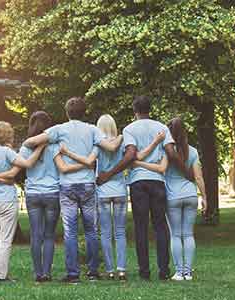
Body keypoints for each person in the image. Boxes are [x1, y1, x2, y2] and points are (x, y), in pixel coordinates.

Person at [23, 97, 122, 283]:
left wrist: (50, 144)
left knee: (70, 231)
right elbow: (110, 146)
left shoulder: (59, 130)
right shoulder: (93, 129)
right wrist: (121, 137)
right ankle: (93, 272)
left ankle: (73, 274)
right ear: (84, 112)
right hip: (87, 185)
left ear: (67, 112)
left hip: (67, 185)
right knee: (91, 230)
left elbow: (30, 142)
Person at [96, 95, 194, 281]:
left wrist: (108, 174)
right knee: (160, 226)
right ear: (150, 109)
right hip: (157, 181)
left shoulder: (130, 129)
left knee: (141, 227)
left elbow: (131, 154)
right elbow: (171, 154)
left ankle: (144, 271)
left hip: (138, 183)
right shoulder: (161, 127)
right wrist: (187, 173)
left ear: (135, 111)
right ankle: (164, 270)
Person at [60, 114, 165, 281]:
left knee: (106, 233)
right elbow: (130, 160)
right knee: (121, 232)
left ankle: (109, 270)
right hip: (120, 190)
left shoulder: (97, 143)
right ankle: (122, 270)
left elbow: (91, 163)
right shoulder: (122, 142)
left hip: (102, 191)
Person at [18, 111, 90, 283]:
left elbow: (21, 166)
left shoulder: (26, 147)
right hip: (52, 193)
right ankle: (47, 273)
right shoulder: (55, 146)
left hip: (33, 194)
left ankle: (38, 273)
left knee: (36, 234)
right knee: (49, 235)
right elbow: (62, 167)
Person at [134, 117, 207, 281]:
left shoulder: (167, 150)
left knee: (175, 235)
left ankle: (179, 272)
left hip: (173, 197)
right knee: (188, 235)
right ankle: (188, 272)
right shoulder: (193, 151)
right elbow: (199, 177)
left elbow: (161, 168)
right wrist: (205, 197)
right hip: (190, 195)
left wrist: (139, 164)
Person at [0, 121, 46, 283]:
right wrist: (41, 147)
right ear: (8, 136)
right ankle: (2, 275)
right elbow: (28, 164)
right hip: (7, 199)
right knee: (5, 239)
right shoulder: (8, 152)